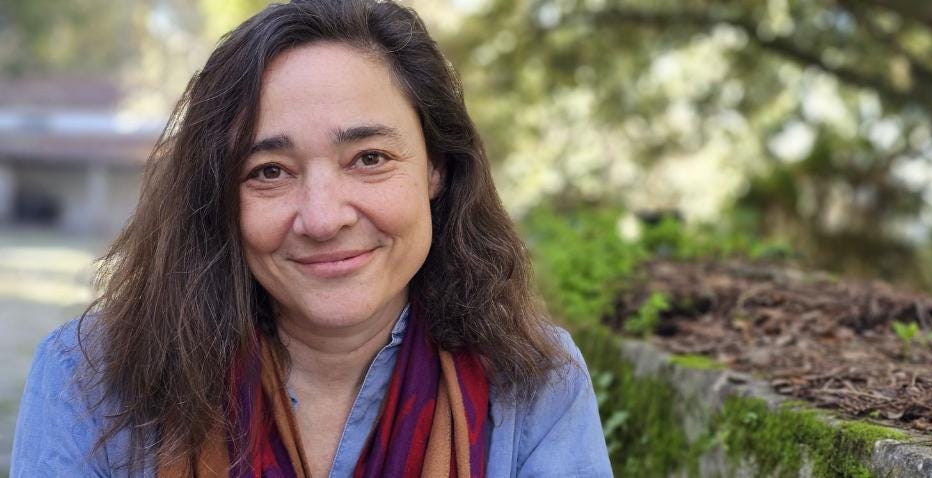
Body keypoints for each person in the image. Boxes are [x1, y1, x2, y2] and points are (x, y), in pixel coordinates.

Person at [9, 0, 612, 476]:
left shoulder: (535, 383)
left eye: (370, 157)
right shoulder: (88, 377)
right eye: (269, 171)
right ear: (217, 193)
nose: (323, 219)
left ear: (437, 168)